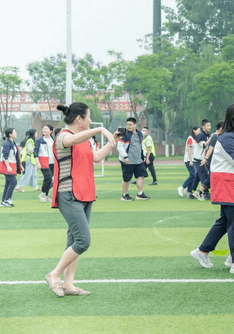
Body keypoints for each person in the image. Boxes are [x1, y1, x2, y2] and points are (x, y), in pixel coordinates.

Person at [45, 103, 119, 297]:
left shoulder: (86, 139)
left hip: (85, 194)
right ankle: (54, 275)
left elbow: (96, 158)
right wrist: (101, 129)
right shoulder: (63, 136)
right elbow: (71, 140)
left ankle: (68, 284)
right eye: (88, 117)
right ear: (79, 119)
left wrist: (111, 142)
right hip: (68, 194)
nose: (89, 120)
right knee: (83, 241)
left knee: (74, 240)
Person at [190, 104, 234, 274]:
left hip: (233, 183)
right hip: (228, 183)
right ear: (233, 117)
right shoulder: (228, 137)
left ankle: (202, 251)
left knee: (225, 222)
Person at [117, 117, 149, 201]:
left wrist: (144, 156)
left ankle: (140, 194)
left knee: (141, 176)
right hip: (128, 161)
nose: (128, 126)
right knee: (126, 178)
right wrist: (125, 157)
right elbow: (119, 146)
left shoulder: (139, 134)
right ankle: (124, 195)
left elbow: (142, 145)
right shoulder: (124, 134)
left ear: (135, 125)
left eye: (130, 124)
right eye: (127, 124)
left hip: (138, 160)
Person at [190, 119, 213, 201]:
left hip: (202, 159)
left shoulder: (206, 134)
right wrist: (211, 138)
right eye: (207, 125)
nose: (209, 127)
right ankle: (204, 193)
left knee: (198, 176)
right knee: (204, 176)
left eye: (210, 125)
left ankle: (191, 192)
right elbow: (203, 145)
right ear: (203, 126)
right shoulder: (201, 135)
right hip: (198, 159)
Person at [34, 124, 55, 203]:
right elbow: (35, 152)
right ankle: (43, 194)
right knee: (48, 177)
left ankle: (45, 195)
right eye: (43, 129)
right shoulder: (39, 140)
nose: (44, 130)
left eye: (46, 129)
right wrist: (37, 162)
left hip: (52, 162)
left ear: (51, 131)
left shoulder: (53, 139)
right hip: (43, 161)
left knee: (53, 179)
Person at [178, 126, 200, 198]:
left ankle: (189, 191)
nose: (199, 132)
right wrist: (190, 161)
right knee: (193, 174)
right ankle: (182, 187)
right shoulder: (190, 139)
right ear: (194, 131)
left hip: (194, 160)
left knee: (194, 175)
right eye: (198, 130)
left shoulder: (196, 139)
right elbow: (189, 151)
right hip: (189, 160)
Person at [1, 128, 19, 207]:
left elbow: (14, 156)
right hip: (7, 165)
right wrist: (8, 166)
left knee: (8, 183)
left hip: (11, 165)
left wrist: (20, 165)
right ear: (10, 134)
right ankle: (7, 199)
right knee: (13, 181)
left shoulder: (12, 143)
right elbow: (5, 156)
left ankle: (4, 200)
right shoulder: (7, 144)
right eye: (14, 132)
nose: (16, 133)